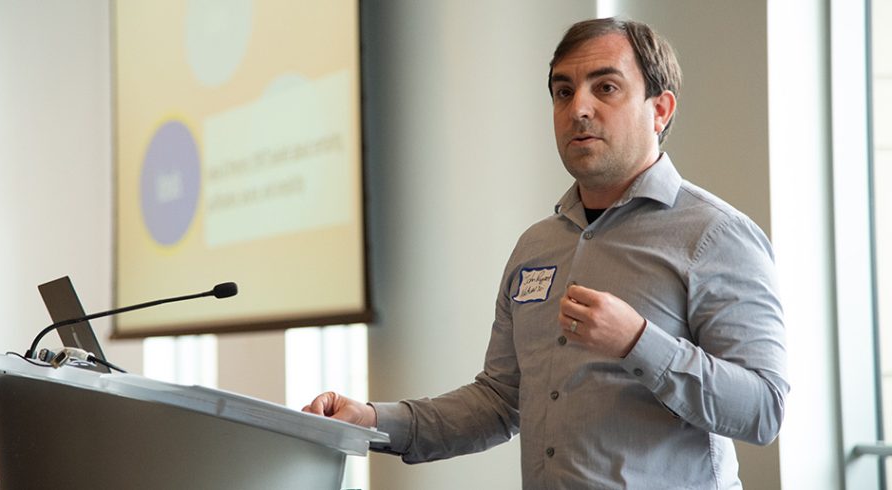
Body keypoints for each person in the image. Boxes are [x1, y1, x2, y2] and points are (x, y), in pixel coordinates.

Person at [304, 17, 788, 489]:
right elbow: (499, 401)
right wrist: (370, 420)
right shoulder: (537, 248)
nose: (578, 108)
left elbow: (763, 411)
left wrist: (637, 340)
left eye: (606, 88)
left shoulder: (715, 235)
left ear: (659, 110)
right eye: (563, 91)